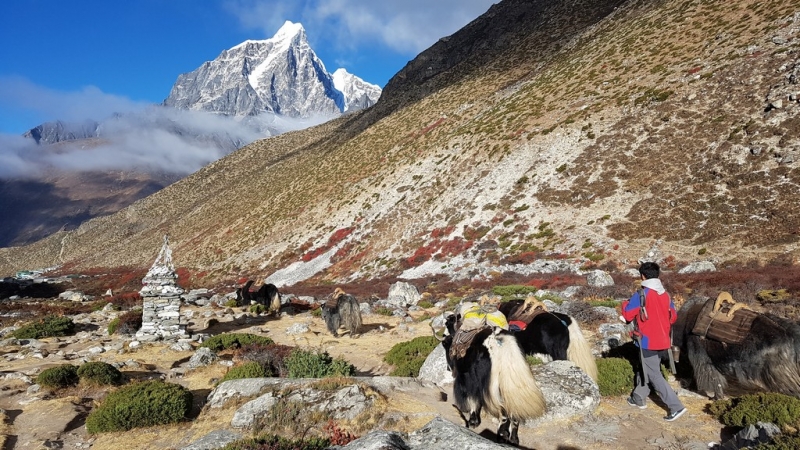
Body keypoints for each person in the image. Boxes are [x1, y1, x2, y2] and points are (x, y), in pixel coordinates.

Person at [621, 261, 686, 421]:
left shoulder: (641, 294)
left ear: (642, 276)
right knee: (646, 368)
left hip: (647, 341)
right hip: (663, 340)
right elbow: (673, 317)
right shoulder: (665, 295)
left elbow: (628, 315)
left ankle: (676, 406)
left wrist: (624, 304)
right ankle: (638, 397)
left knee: (654, 374)